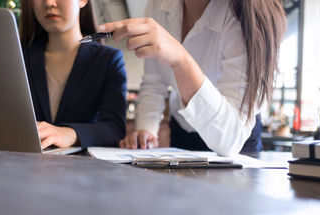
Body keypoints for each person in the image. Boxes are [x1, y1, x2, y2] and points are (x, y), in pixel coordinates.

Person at [99, 0, 286, 156]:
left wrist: (181, 60)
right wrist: (145, 131)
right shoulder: (159, 5)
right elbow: (154, 82)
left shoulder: (245, 18)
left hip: (236, 144)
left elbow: (231, 139)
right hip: (182, 133)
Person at [20, 0, 127, 149]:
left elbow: (114, 128)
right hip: (22, 163)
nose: (49, 3)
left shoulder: (108, 60)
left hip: (83, 169)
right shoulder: (18, 57)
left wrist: (70, 133)